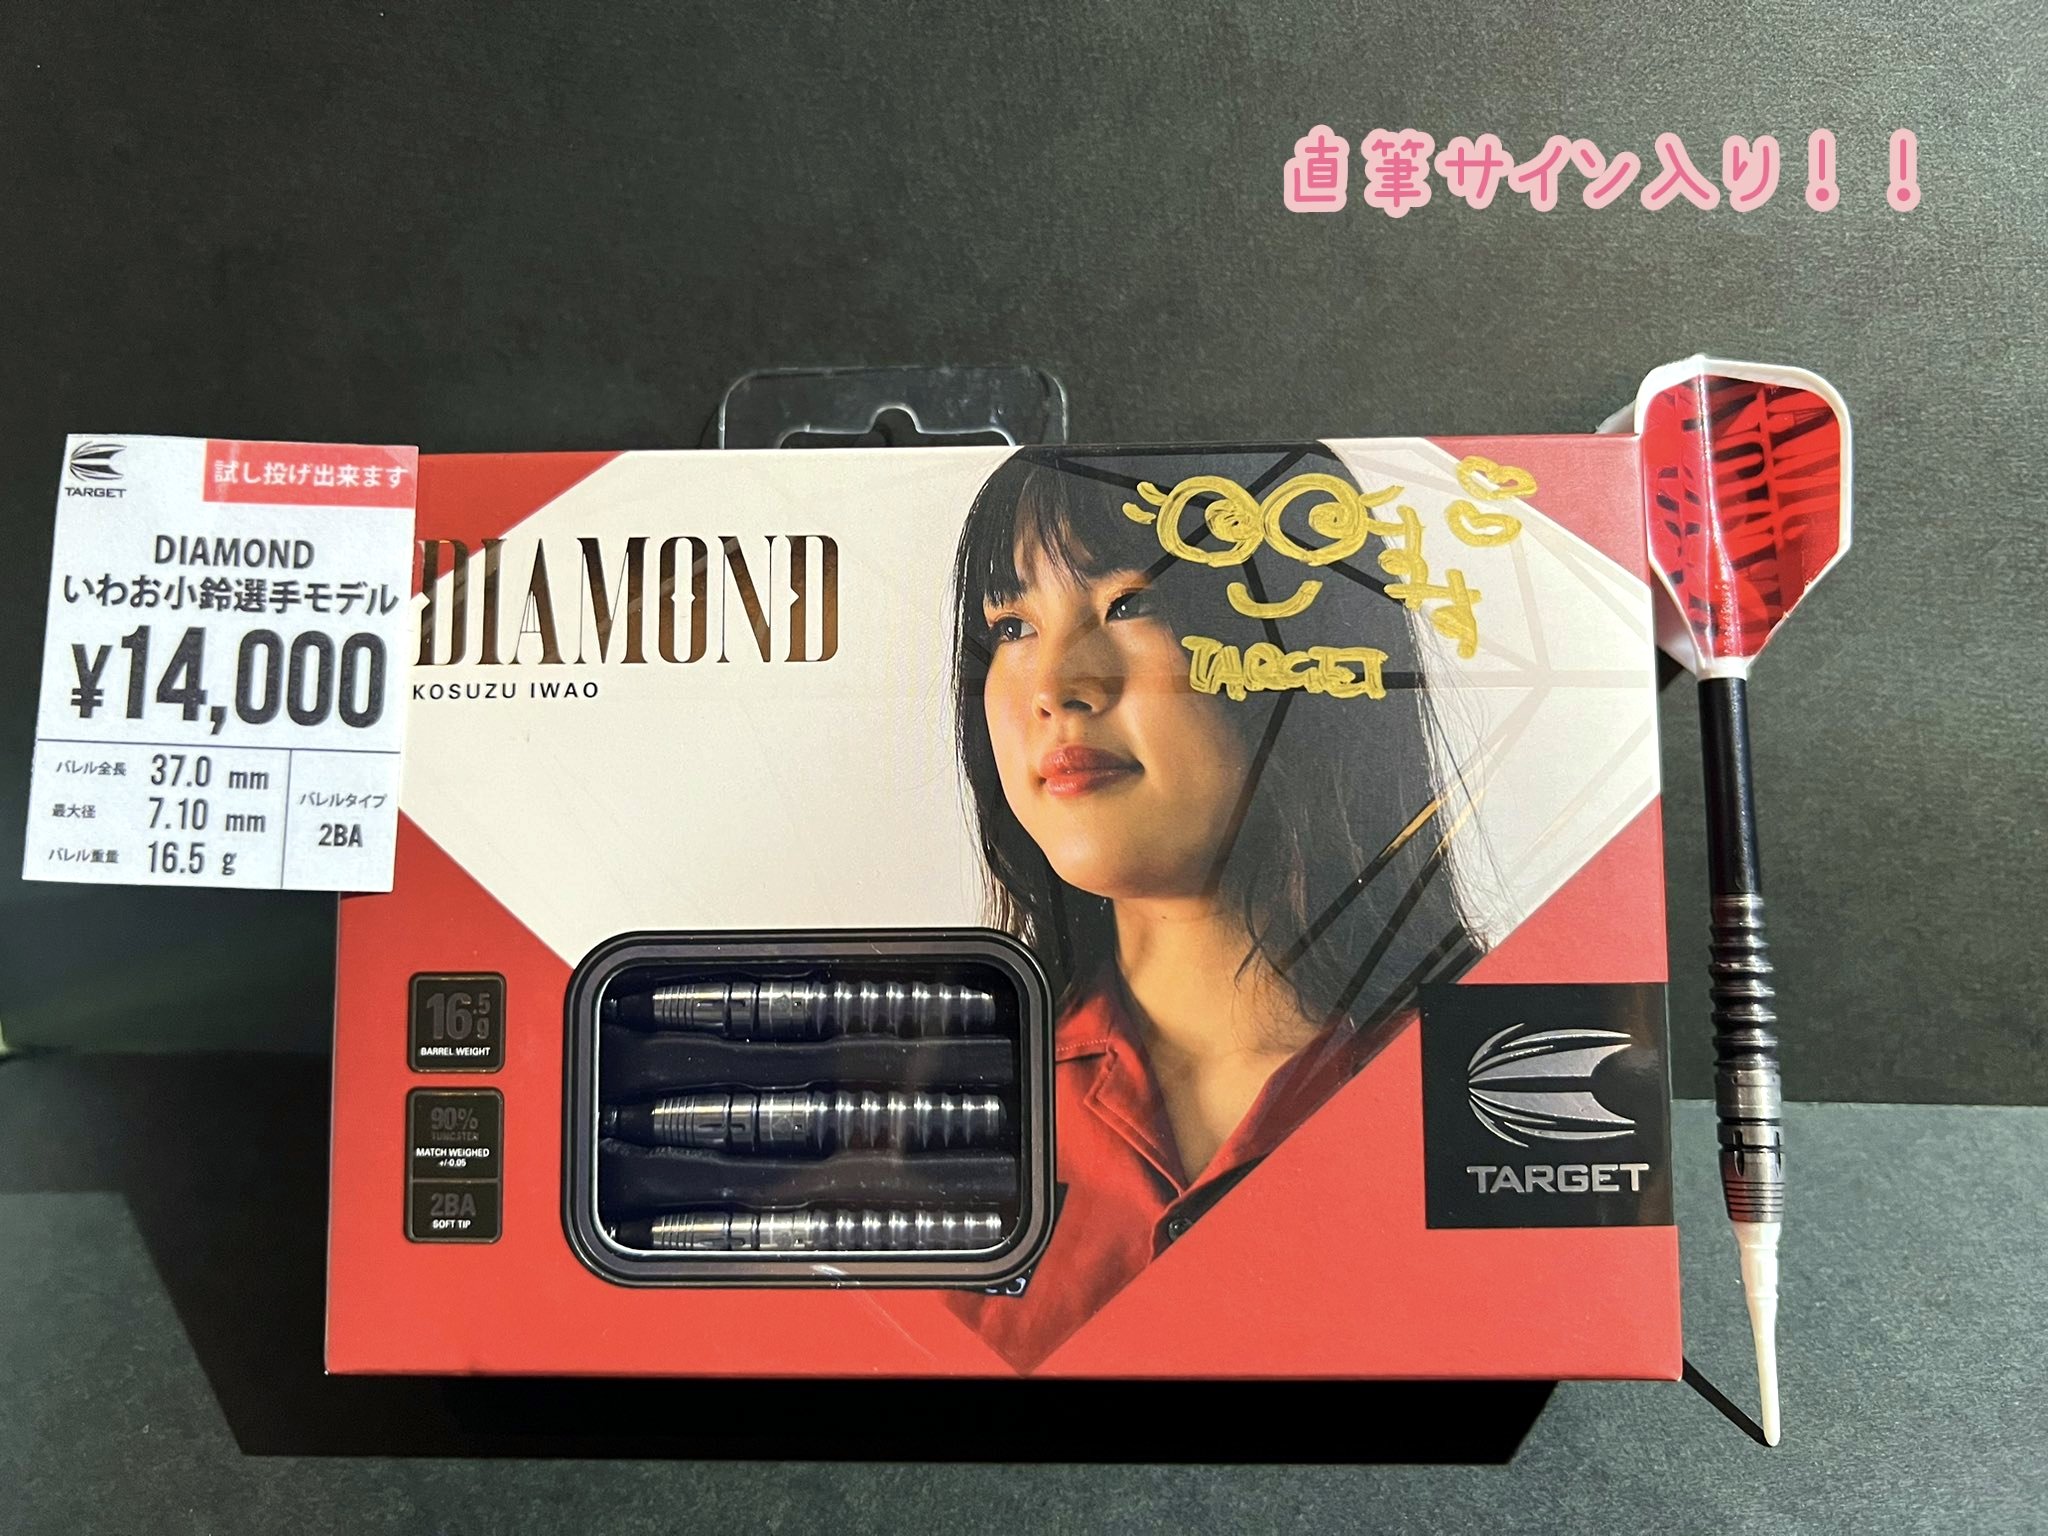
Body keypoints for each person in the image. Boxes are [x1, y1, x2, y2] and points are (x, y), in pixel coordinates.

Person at [945, 446, 1482, 1369]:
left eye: (1133, 603)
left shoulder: (1503, 1086)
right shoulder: (930, 1116)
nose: (1055, 685)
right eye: (1012, 625)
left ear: (1312, 649)